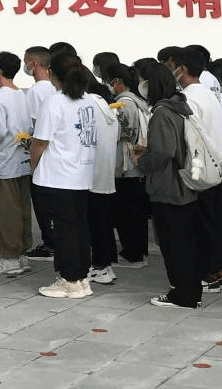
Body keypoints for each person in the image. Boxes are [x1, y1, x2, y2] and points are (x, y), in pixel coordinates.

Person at [165, 47, 222, 294]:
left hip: (198, 168)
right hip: (215, 167)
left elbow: (196, 136)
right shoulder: (209, 95)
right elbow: (221, 133)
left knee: (200, 222)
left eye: (169, 65)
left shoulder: (187, 98)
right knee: (214, 220)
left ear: (181, 69)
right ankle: (218, 272)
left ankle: (208, 274)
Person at [132, 66, 202, 309]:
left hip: (168, 186)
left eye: (143, 81)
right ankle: (191, 291)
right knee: (186, 242)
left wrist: (143, 161)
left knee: (174, 244)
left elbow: (164, 152)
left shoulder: (162, 112)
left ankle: (182, 294)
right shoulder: (177, 107)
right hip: (183, 184)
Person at [31, 58, 97, 300]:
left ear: (51, 73)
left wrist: (33, 165)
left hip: (58, 176)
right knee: (78, 228)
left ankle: (70, 280)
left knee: (64, 230)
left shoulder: (54, 101)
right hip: (80, 174)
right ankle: (80, 278)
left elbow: (40, 141)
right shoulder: (87, 99)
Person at [0, 51, 33, 277]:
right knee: (21, 208)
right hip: (22, 160)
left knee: (4, 211)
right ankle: (21, 253)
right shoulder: (21, 94)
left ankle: (9, 256)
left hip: (2, 161)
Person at [110, 60, 153, 268]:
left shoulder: (124, 104)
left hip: (127, 164)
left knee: (127, 213)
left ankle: (132, 254)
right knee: (136, 212)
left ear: (117, 81)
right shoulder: (138, 101)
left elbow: (121, 134)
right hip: (136, 164)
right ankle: (138, 252)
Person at [85, 75, 120, 285]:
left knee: (95, 224)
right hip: (105, 175)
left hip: (91, 175)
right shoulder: (107, 107)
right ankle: (104, 265)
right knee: (102, 223)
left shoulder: (89, 105)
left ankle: (100, 267)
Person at [22, 45, 57, 257]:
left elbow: (36, 126)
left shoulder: (36, 91)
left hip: (42, 153)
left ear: (33, 64)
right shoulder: (55, 87)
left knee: (43, 205)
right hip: (57, 154)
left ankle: (50, 243)